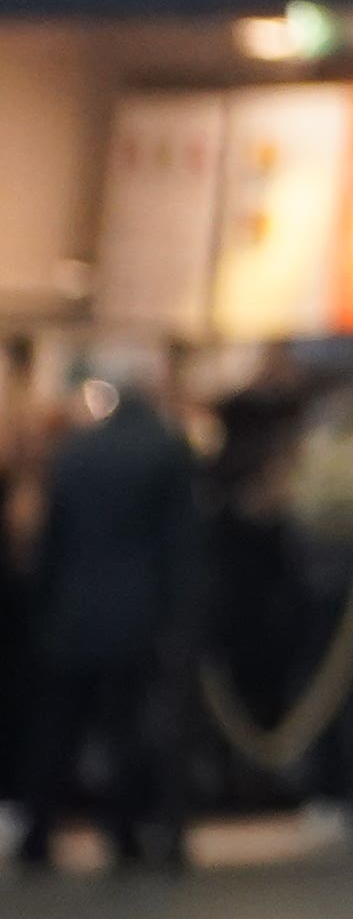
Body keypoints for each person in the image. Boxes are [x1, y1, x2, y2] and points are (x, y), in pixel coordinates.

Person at [13, 354, 201, 878]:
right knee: (127, 729)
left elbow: (52, 541)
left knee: (59, 728)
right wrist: (181, 614)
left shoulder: (75, 453)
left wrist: (45, 601)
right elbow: (178, 545)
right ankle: (122, 832)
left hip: (72, 611)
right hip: (138, 612)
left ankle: (38, 831)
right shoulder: (167, 451)